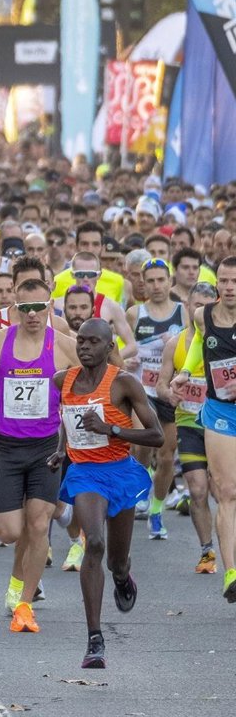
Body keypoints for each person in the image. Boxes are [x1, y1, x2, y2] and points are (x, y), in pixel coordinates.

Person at [0, 277, 78, 633]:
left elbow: (87, 386)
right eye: (25, 308)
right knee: (10, 530)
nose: (33, 315)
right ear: (15, 309)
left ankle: (24, 603)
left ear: (50, 306)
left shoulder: (64, 346)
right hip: (6, 447)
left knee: (38, 526)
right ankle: (16, 577)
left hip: (46, 448)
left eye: (40, 307)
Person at [52, 317, 159, 669]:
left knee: (116, 558)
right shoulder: (62, 380)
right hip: (85, 473)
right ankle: (94, 639)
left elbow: (155, 435)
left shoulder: (124, 383)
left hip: (120, 471)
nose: (84, 346)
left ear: (109, 347)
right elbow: (67, 419)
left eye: (92, 341)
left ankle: (121, 574)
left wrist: (112, 428)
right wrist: (60, 449)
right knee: (94, 542)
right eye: (80, 340)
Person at [171, 256, 236, 603]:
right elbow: (199, 343)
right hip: (221, 411)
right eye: (224, 281)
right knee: (225, 492)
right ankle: (231, 573)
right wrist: (185, 371)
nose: (228, 288)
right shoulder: (203, 315)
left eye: (234, 282)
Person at [157, 283, 219, 573]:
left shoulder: (225, 341)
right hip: (189, 424)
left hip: (221, 426)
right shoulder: (176, 344)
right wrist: (169, 394)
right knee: (197, 490)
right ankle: (207, 551)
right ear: (187, 307)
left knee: (222, 490)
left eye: (206, 306)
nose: (200, 312)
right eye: (196, 306)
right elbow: (160, 384)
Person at [125, 257, 186, 538]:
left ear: (170, 281)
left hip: (168, 392)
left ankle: (157, 510)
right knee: (140, 447)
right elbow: (122, 349)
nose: (156, 285)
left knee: (165, 456)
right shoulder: (135, 314)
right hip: (140, 393)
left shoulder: (182, 312)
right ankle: (140, 489)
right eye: (150, 280)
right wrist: (128, 360)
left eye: (161, 279)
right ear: (143, 283)